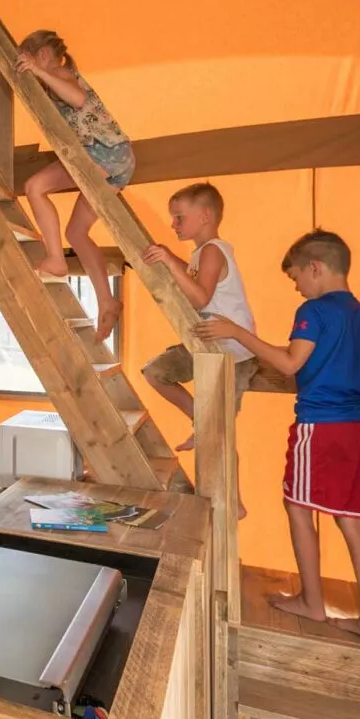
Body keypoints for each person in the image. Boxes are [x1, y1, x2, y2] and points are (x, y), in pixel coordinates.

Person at [195, 230, 360, 648]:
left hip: (322, 427)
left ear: (315, 268)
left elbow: (288, 363)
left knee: (298, 507)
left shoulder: (313, 311)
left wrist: (235, 331)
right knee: (352, 520)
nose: (297, 287)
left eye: (296, 277)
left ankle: (312, 602)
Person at [141, 183, 258, 518]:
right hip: (207, 346)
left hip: (234, 352)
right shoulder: (201, 254)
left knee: (219, 429)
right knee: (156, 372)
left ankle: (234, 500)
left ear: (205, 216)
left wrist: (169, 261)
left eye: (179, 217)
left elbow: (200, 298)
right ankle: (200, 419)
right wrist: (172, 258)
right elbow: (194, 279)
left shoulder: (213, 251)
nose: (174, 224)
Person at [16, 30, 135, 341]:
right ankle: (107, 300)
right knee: (76, 233)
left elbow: (78, 99)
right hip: (117, 160)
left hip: (104, 154)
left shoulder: (60, 73)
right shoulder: (57, 76)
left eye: (27, 59)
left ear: (42, 54)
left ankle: (57, 260)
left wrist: (39, 71)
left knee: (35, 187)